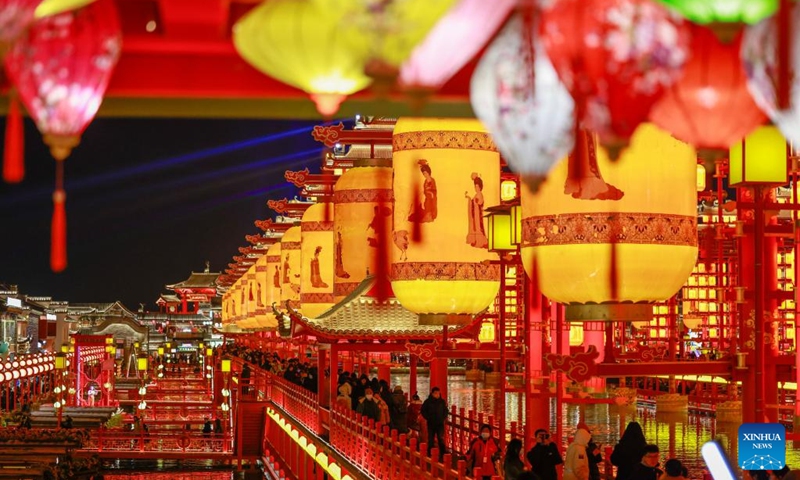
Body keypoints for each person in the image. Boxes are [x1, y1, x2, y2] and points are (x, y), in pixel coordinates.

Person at [420, 386, 448, 455]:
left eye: (438, 393)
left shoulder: (442, 402)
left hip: (440, 423)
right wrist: (428, 417)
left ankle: (443, 452)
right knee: (431, 438)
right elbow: (423, 410)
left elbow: (446, 411)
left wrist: (443, 418)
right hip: (431, 423)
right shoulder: (428, 402)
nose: (437, 394)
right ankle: (430, 452)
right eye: (435, 393)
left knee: (440, 438)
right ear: (432, 393)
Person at [465, 172, 488, 248]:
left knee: (478, 227)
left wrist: (476, 202)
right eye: (475, 187)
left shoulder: (480, 194)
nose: (476, 188)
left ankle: (480, 241)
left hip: (478, 214)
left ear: (480, 187)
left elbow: (480, 202)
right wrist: (469, 199)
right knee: (475, 226)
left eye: (477, 187)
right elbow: (473, 201)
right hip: (475, 214)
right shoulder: (476, 195)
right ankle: (474, 240)